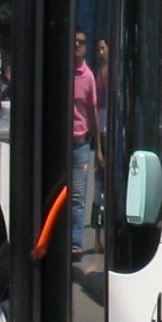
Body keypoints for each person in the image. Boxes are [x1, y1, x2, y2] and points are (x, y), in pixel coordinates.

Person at [68, 29, 100, 254]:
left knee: (78, 197)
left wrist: (98, 146)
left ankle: (76, 243)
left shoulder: (88, 76)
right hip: (60, 144)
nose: (78, 45)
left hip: (80, 144)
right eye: (75, 42)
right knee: (60, 194)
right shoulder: (64, 72)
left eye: (82, 42)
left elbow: (93, 111)